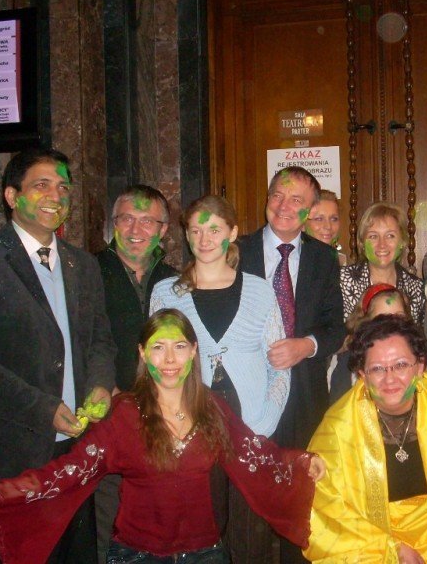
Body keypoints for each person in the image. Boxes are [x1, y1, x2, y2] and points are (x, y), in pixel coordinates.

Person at [0, 309, 325, 564]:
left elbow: (256, 455)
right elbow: (67, 472)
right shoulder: (124, 415)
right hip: (136, 556)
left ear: (194, 351)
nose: (170, 359)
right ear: (141, 353)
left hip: (206, 554)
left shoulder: (213, 408)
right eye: (158, 347)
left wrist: (302, 461)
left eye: (179, 346)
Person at [0, 148, 116, 563]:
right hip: (5, 457)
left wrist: (99, 386)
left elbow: (100, 342)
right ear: (11, 196)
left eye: (63, 187)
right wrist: (44, 409)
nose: (55, 195)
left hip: (72, 456)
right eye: (41, 185)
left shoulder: (83, 265)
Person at [150, 195, 288, 563]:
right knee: (201, 529)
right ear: (186, 235)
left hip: (251, 424)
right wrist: (171, 423)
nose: (204, 238)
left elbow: (279, 363)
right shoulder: (166, 293)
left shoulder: (260, 290)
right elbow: (156, 368)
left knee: (250, 533)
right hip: (192, 427)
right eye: (196, 230)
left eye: (214, 229)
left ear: (233, 233)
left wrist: (266, 420)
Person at [306, 314, 427, 562]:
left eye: (400, 365)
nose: (390, 378)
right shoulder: (338, 429)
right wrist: (390, 549)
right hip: (369, 549)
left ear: (420, 367)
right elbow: (323, 510)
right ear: (362, 375)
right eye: (377, 369)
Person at [237, 166, 345, 563]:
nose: (284, 206)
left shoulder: (323, 258)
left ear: (310, 209)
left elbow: (336, 327)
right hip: (246, 398)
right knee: (246, 504)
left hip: (304, 397)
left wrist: (306, 346)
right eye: (277, 196)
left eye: (296, 200)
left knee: (299, 501)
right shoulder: (237, 251)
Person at [93, 184, 176, 560]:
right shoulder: (88, 272)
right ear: (113, 224)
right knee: (109, 520)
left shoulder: (176, 281)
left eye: (147, 221)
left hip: (164, 420)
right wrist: (104, 390)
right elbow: (77, 342)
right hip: (108, 415)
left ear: (163, 229)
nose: (135, 229)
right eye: (126, 218)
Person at [340, 202, 425, 325]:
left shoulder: (417, 289)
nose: (382, 244)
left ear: (402, 241)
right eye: (373, 236)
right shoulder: (341, 282)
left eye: (390, 236)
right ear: (362, 243)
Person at [327, 283, 412, 404]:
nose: (392, 325)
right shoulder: (347, 364)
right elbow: (339, 406)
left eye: (399, 317)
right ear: (366, 322)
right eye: (382, 319)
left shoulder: (416, 360)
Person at [305, 189, 347, 265]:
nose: (328, 226)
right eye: (319, 219)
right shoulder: (293, 263)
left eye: (334, 219)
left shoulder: (346, 265)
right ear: (303, 224)